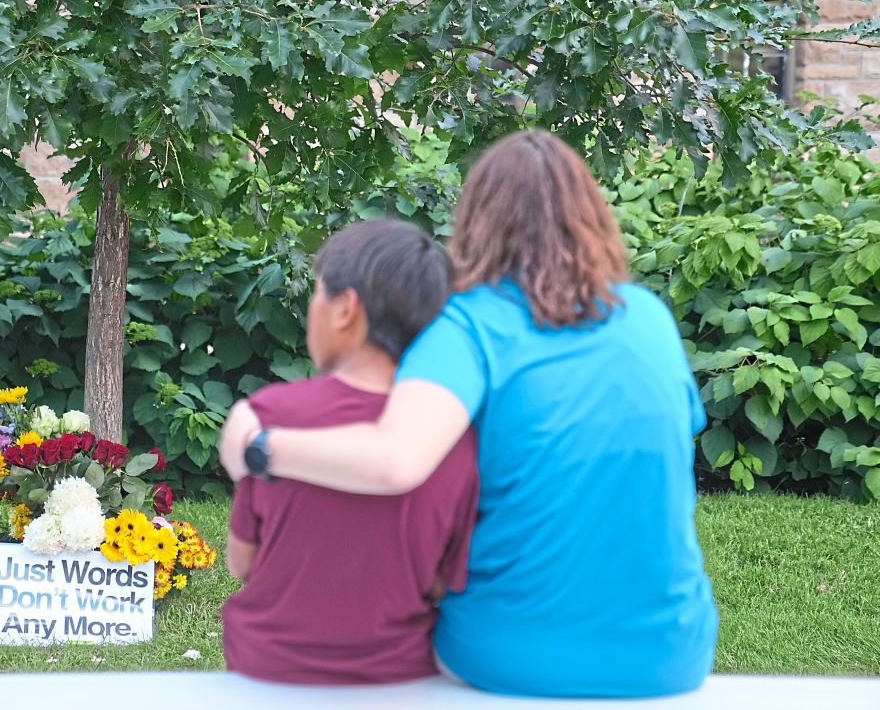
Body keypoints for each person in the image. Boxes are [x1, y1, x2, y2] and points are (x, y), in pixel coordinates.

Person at [219, 130, 718, 698]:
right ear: (591, 215)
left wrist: (262, 447)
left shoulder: (468, 325)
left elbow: (395, 460)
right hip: (670, 656)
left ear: (478, 220)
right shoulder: (648, 318)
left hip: (508, 654)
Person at [222, 219, 479, 685]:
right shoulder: (454, 439)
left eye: (317, 294)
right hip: (399, 676)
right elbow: (444, 580)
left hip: (268, 671)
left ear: (345, 309)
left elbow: (241, 561)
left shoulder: (270, 415)